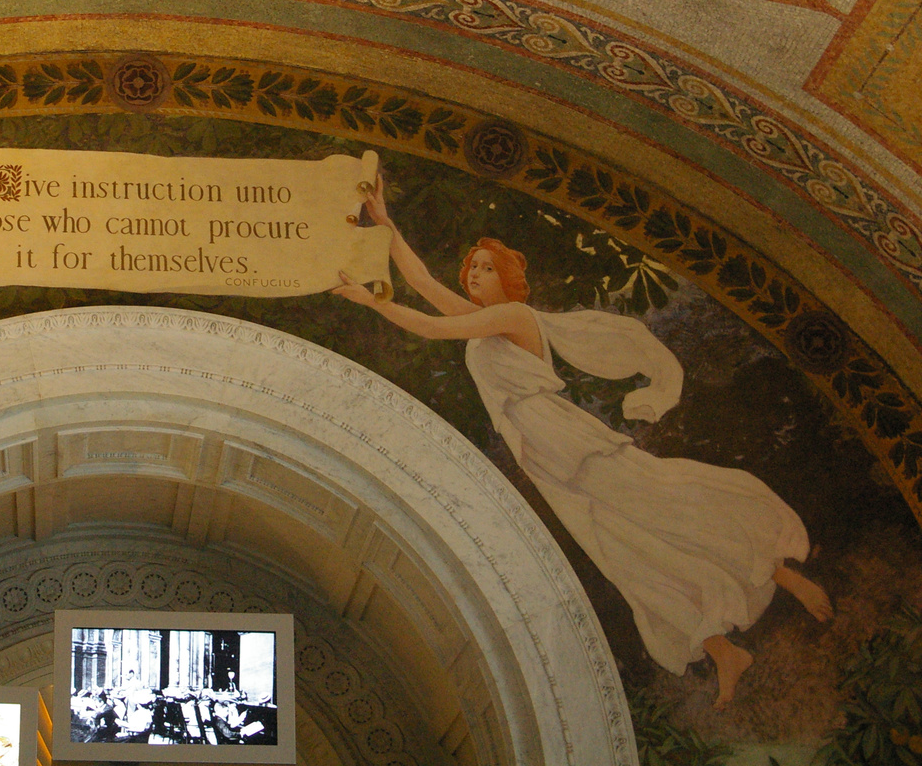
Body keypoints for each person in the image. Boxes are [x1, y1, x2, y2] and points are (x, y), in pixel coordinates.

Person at [331, 183, 832, 707]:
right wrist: (385, 220)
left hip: (571, 444)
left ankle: (780, 571)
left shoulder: (516, 318)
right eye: (471, 269)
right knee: (625, 554)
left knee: (666, 504)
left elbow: (430, 326)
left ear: (509, 279)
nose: (473, 275)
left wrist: (373, 302)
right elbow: (422, 281)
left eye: (484, 267)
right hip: (546, 460)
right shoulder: (483, 328)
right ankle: (721, 649)